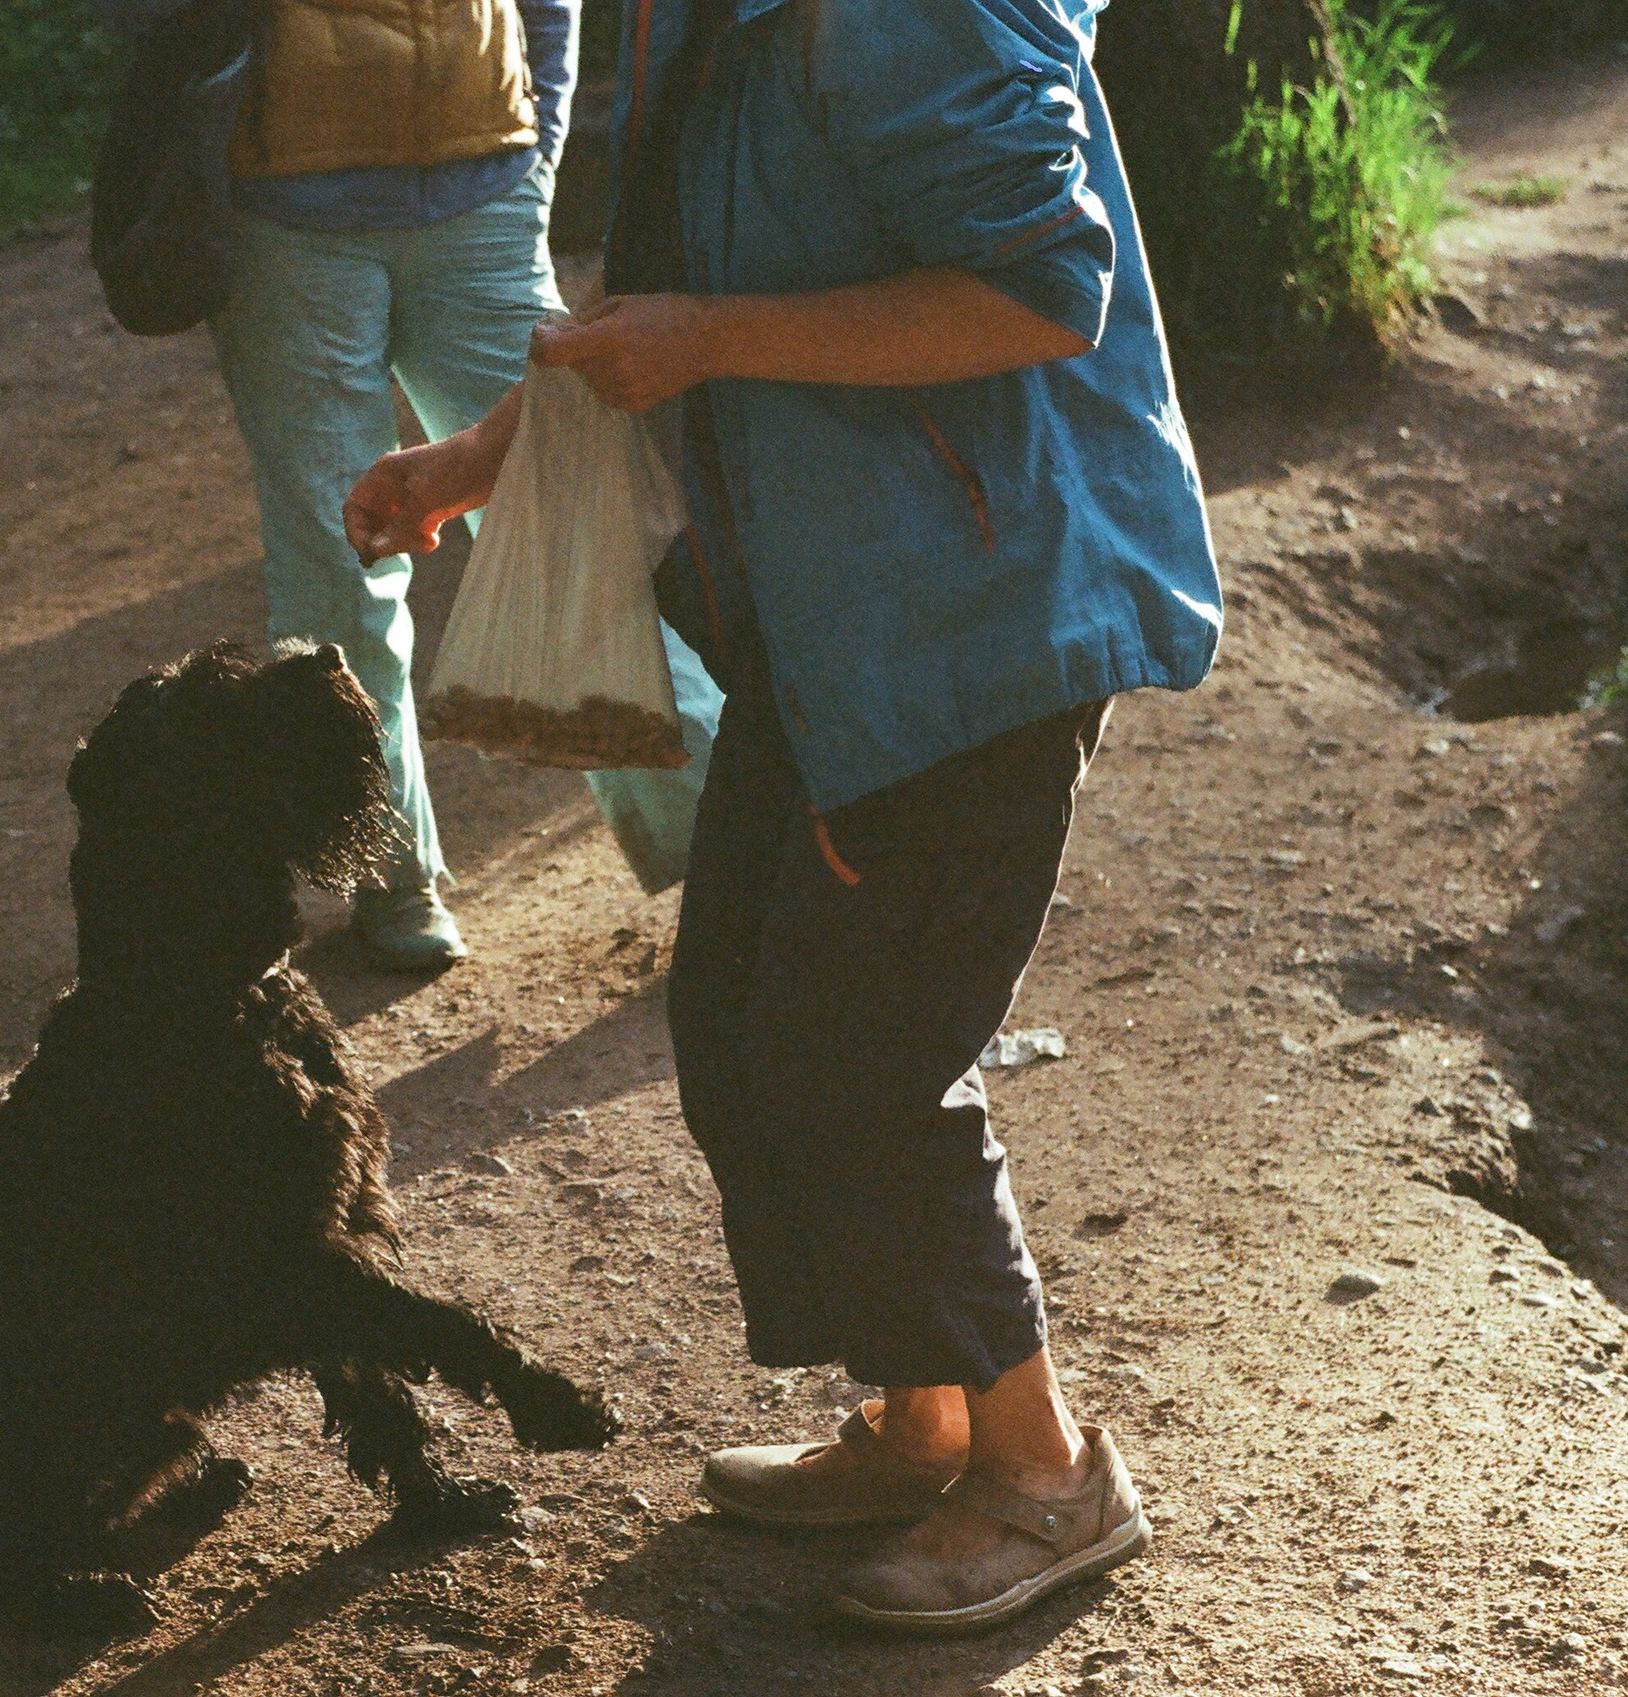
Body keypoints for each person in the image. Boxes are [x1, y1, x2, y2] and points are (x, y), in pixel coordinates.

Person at [345, 0, 1219, 1634]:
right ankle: (927, 1418)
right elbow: (664, 305)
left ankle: (1047, 1476)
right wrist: (478, 454)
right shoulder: (713, 17)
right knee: (744, 1024)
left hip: (975, 630)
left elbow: (1040, 290)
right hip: (836, 624)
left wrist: (721, 341)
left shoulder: (903, 14)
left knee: (856, 1057)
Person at [202, 0, 723, 969]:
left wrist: (537, 153)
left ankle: (727, 842)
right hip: (280, 220)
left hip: (485, 196)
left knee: (575, 522)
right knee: (335, 568)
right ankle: (384, 873)